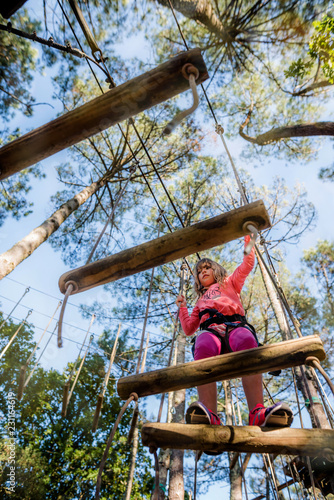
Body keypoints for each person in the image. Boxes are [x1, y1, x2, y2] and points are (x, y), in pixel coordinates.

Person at [176, 235, 293, 430]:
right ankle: (209, 413)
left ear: (217, 271)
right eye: (199, 271)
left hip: (235, 327)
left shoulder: (229, 282)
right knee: (202, 343)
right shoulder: (199, 302)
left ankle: (257, 411)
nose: (203, 271)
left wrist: (249, 240)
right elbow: (189, 328)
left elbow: (247, 263)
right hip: (211, 333)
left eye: (207, 267)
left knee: (247, 339)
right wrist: (183, 308)